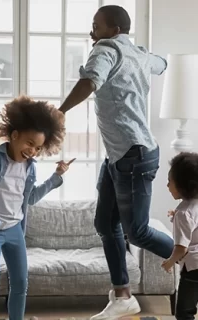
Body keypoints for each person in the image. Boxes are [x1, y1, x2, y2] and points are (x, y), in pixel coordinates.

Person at [59, 5, 174, 319]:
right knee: (105, 225)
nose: (91, 32)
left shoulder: (106, 49)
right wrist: (152, 59)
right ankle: (123, 295)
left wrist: (61, 111)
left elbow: (90, 81)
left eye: (96, 26)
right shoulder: (136, 52)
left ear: (113, 30)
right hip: (122, 155)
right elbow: (162, 64)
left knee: (136, 232)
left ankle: (190, 257)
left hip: (132, 157)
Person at [0, 96, 75, 320]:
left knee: (21, 284)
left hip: (15, 231)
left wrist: (56, 176)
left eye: (38, 148)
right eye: (29, 143)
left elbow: (29, 198)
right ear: (14, 135)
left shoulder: (30, 168)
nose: (32, 151)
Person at [162, 152, 198, 320]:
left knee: (184, 311)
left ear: (183, 185)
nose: (167, 186)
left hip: (193, 268)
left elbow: (181, 248)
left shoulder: (184, 213)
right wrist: (175, 215)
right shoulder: (190, 207)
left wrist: (169, 262)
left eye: (170, 182)